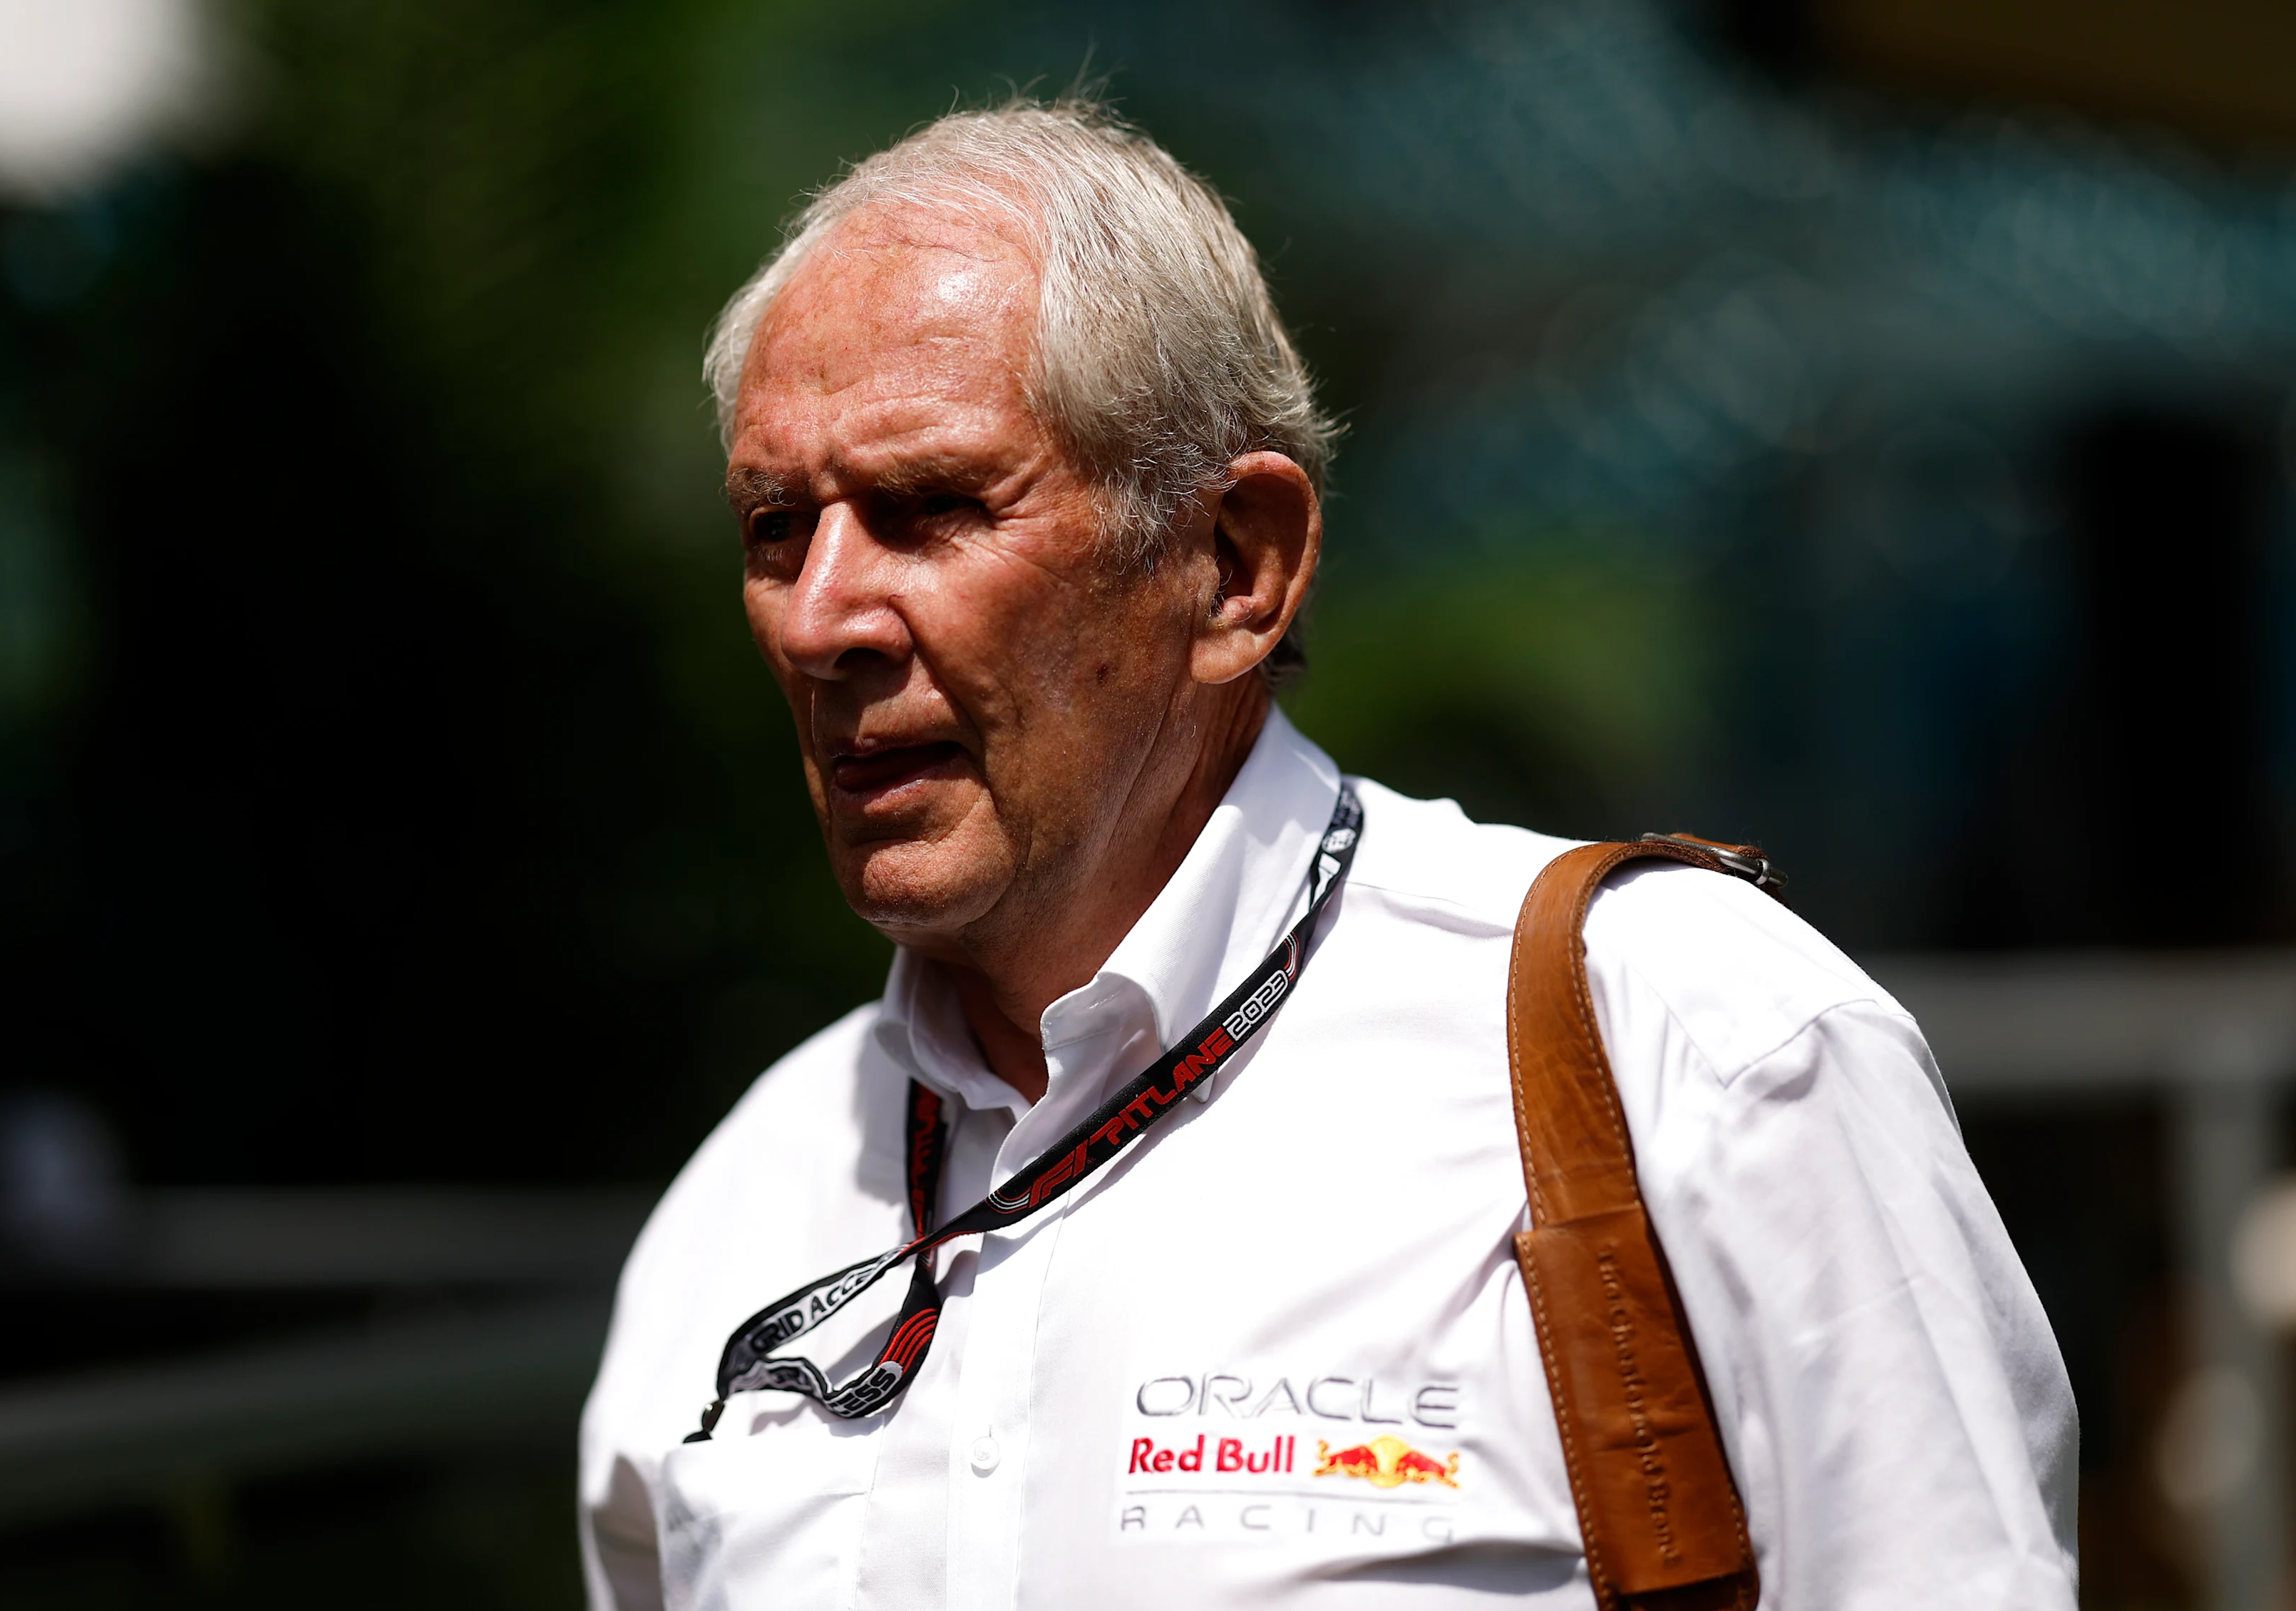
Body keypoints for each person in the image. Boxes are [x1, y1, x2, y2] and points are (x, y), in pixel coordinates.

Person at [578, 99, 2077, 1610]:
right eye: (776, 528)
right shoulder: (753, 1194)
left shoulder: (1683, 1042)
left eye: (928, 509)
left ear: (1236, 565)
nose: (821, 620)